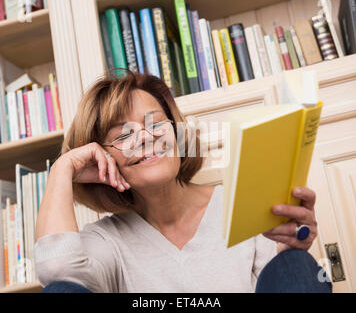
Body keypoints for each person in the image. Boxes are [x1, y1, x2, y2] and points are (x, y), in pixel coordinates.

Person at [35, 70, 332, 293]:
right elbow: (57, 273)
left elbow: (281, 280)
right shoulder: (106, 241)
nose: (146, 137)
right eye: (123, 135)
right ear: (102, 158)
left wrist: (290, 249)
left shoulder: (243, 201)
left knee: (295, 265)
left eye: (156, 123)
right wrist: (62, 169)